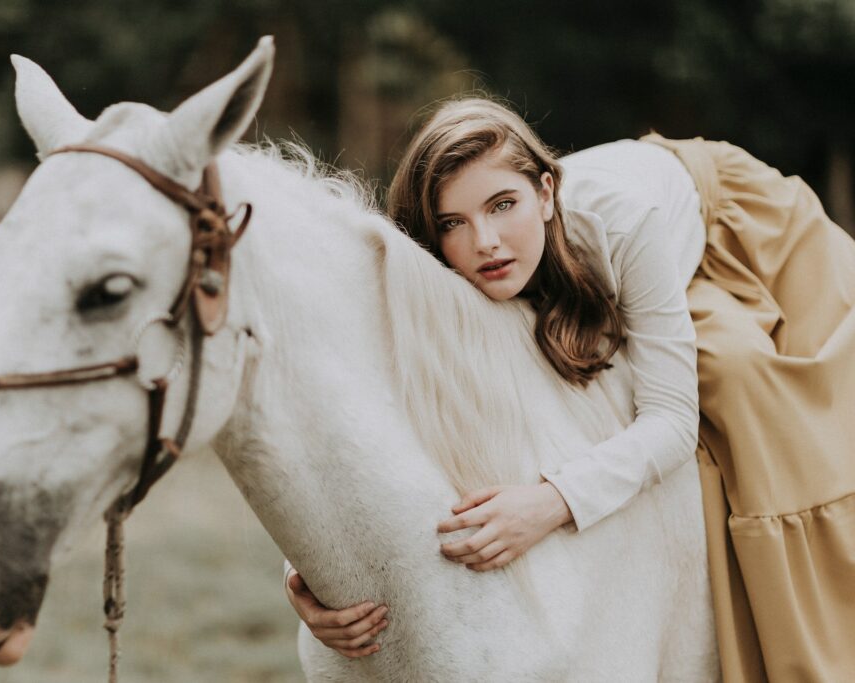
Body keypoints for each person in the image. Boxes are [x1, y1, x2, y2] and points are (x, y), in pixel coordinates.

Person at [284, 98, 855, 680]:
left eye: (503, 205)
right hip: (602, 257)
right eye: (452, 222)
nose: (485, 241)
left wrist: (550, 504)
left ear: (547, 193)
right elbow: (359, 406)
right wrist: (305, 575)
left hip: (728, 222)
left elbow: (674, 420)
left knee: (740, 379)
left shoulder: (625, 224)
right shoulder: (434, 264)